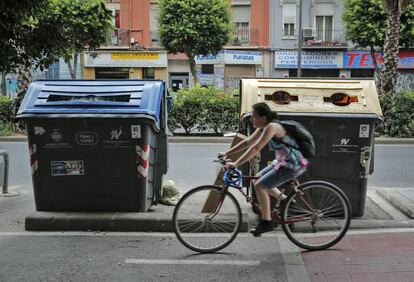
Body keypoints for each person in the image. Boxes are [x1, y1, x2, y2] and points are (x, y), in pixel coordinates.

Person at [218, 102, 309, 235]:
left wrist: (236, 163)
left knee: (261, 186)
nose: (251, 119)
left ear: (264, 118)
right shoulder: (263, 127)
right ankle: (285, 200)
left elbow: (256, 148)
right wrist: (227, 153)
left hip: (292, 164)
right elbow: (248, 142)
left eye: (254, 116)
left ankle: (266, 222)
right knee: (257, 181)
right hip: (282, 162)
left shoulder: (272, 127)